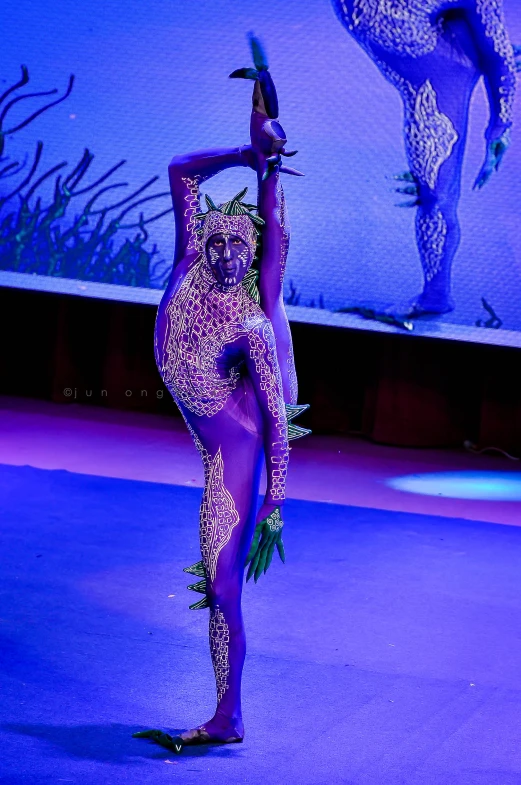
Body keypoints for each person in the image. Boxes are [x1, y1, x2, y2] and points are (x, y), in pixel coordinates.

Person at [134, 40, 309, 753]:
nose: (230, 254)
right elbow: (179, 169)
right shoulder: (188, 256)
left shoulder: (250, 322)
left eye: (243, 245)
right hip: (213, 433)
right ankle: (227, 713)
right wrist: (246, 155)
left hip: (229, 457)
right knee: (218, 588)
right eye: (220, 242)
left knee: (223, 589)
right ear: (204, 236)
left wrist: (273, 500)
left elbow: (274, 420)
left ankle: (226, 714)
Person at [332, 0, 518, 316]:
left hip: (439, 79)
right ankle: (435, 296)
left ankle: (435, 296)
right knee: (434, 195)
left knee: (435, 197)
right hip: (435, 70)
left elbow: (498, 56)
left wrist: (499, 126)